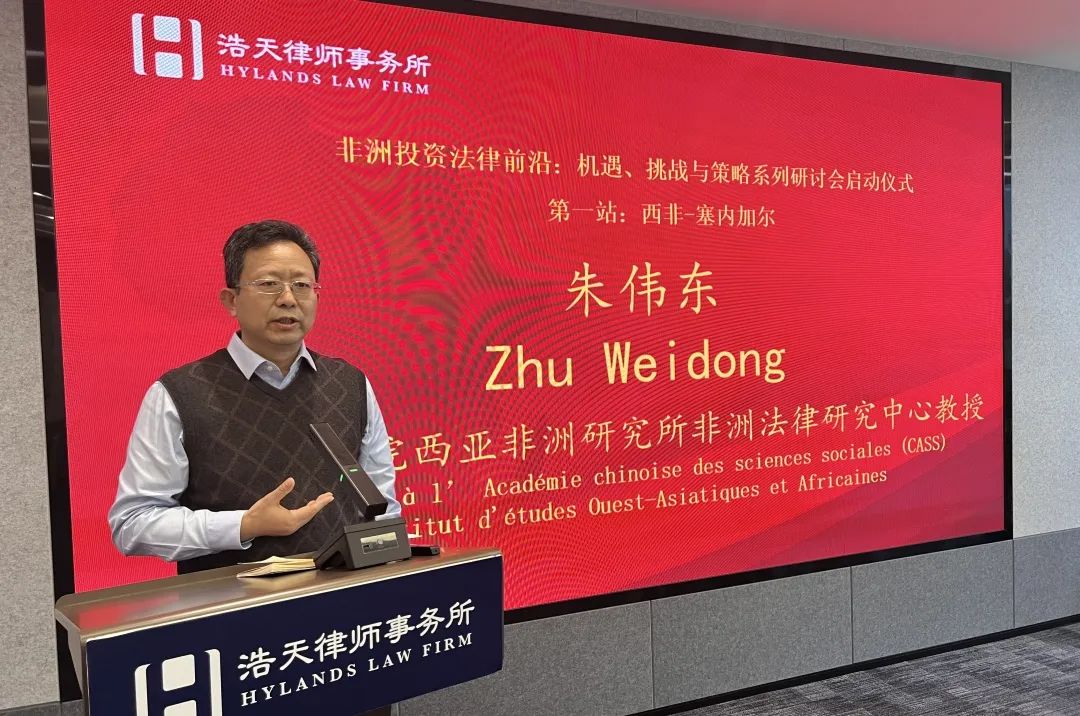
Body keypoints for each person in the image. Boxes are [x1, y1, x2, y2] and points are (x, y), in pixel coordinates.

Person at [109, 219, 399, 573]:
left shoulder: (351, 383)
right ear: (231, 300)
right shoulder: (177, 394)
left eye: (301, 285)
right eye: (268, 284)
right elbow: (133, 523)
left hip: (342, 597)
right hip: (232, 602)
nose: (288, 299)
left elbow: (383, 508)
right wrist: (244, 525)